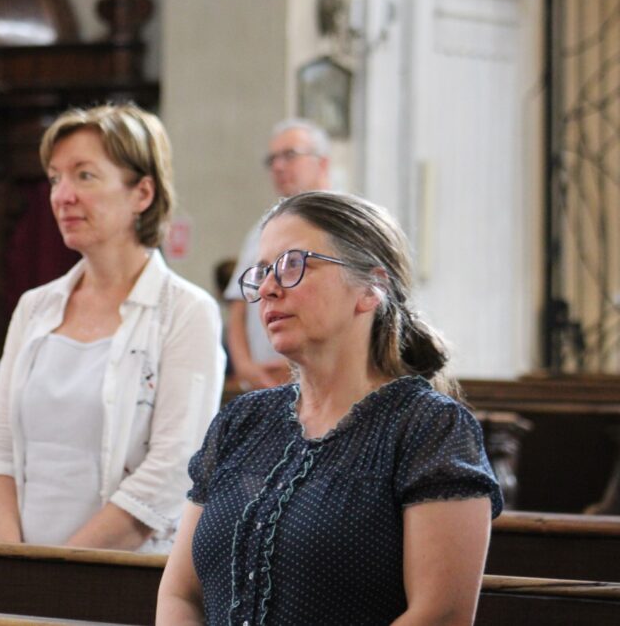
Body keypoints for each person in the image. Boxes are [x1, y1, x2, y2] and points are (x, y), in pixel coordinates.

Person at [158, 191, 503, 624]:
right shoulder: (242, 421)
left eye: (292, 264)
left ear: (371, 289)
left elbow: (440, 615)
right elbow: (180, 594)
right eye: (263, 271)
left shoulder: (428, 428)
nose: (267, 288)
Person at [0, 103, 225, 553]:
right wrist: (11, 563)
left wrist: (62, 570)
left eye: (84, 175)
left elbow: (172, 468)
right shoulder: (36, 307)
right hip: (21, 569)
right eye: (55, 178)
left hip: (120, 571)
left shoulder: (185, 311)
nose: (62, 196)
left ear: (142, 193)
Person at [225, 119, 331, 390]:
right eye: (272, 159)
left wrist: (308, 361)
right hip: (265, 386)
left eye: (290, 155)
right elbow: (238, 308)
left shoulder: (343, 224)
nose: (278, 166)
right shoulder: (261, 230)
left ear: (322, 163)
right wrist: (246, 367)